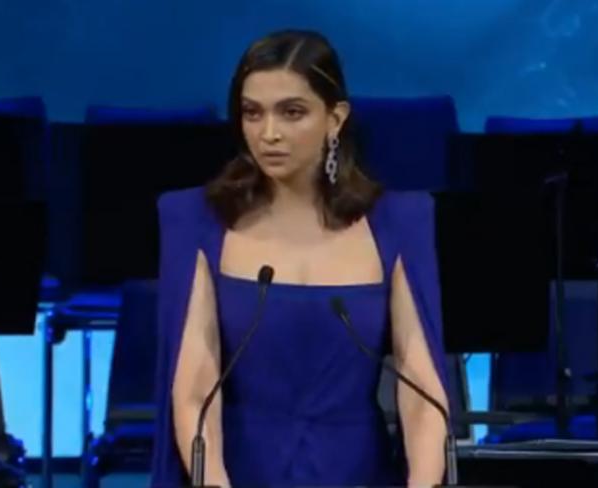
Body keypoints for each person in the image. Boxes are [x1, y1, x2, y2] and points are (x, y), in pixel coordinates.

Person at [150, 30, 451, 487]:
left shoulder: (399, 222)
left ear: (335, 118)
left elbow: (422, 388)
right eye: (253, 113)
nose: (268, 133)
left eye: (291, 112)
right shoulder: (196, 220)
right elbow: (193, 388)